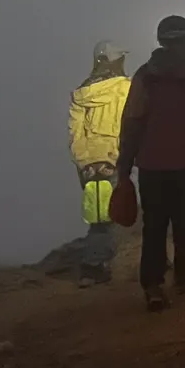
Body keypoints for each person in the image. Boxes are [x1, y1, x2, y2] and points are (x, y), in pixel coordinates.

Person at [115, 15, 185, 311]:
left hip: (152, 162)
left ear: (160, 40)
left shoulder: (145, 76)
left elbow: (133, 123)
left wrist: (124, 168)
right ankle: (182, 275)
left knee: (154, 224)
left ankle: (152, 285)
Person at [67, 40, 132, 284]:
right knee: (112, 217)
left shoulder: (81, 94)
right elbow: (132, 125)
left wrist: (85, 163)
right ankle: (94, 266)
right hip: (116, 161)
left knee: (98, 216)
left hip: (88, 165)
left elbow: (75, 136)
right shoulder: (127, 88)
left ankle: (97, 265)